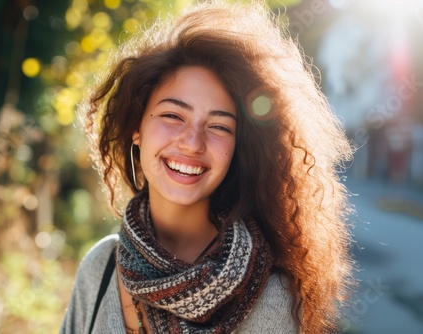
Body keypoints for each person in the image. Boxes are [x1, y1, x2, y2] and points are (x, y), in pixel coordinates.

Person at [60, 1, 355, 333]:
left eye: (219, 127)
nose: (192, 143)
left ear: (236, 149)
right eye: (173, 115)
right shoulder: (100, 268)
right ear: (137, 127)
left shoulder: (272, 300)